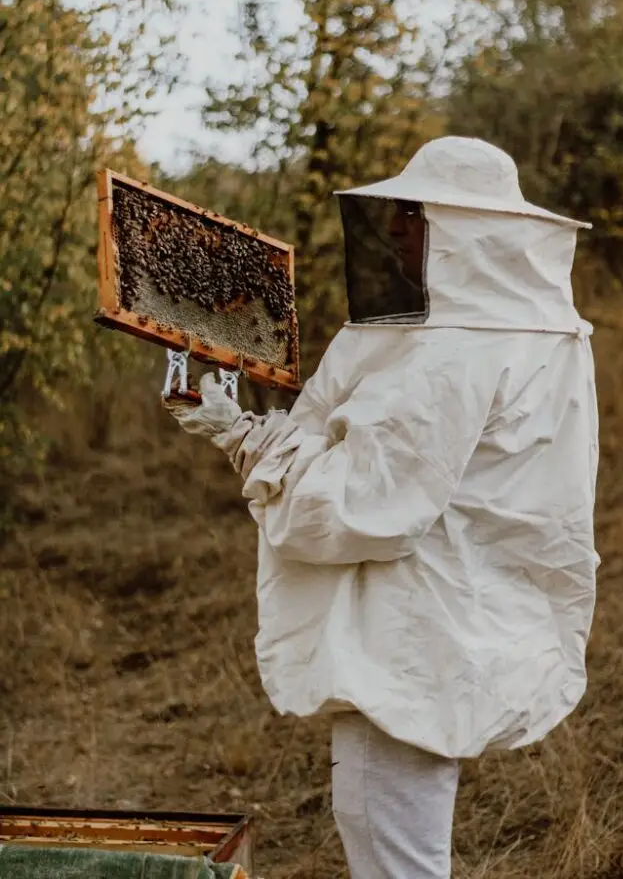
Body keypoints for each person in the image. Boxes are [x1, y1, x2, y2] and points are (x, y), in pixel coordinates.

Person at [166, 136, 600, 879]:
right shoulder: (538, 333)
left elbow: (356, 504)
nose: (394, 227)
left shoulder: (453, 352)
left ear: (465, 228)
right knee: (397, 841)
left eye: (412, 212)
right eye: (396, 211)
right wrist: (259, 436)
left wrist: (241, 437)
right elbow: (383, 457)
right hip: (462, 615)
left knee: (393, 853)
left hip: (411, 631)